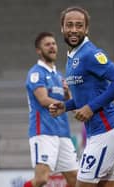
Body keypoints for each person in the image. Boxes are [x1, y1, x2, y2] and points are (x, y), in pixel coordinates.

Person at [49, 6, 114, 187]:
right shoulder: (72, 56)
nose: (74, 30)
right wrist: (65, 106)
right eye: (69, 25)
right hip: (101, 132)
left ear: (86, 29)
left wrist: (91, 107)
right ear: (62, 28)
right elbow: (84, 97)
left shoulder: (91, 54)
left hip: (106, 130)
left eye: (79, 25)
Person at [24, 32, 78, 187]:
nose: (52, 47)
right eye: (47, 44)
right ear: (39, 50)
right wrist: (68, 105)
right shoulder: (36, 73)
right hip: (44, 131)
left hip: (63, 133)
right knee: (41, 179)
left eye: (54, 44)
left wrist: (67, 95)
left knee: (75, 179)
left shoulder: (59, 75)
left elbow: (66, 101)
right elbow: (43, 99)